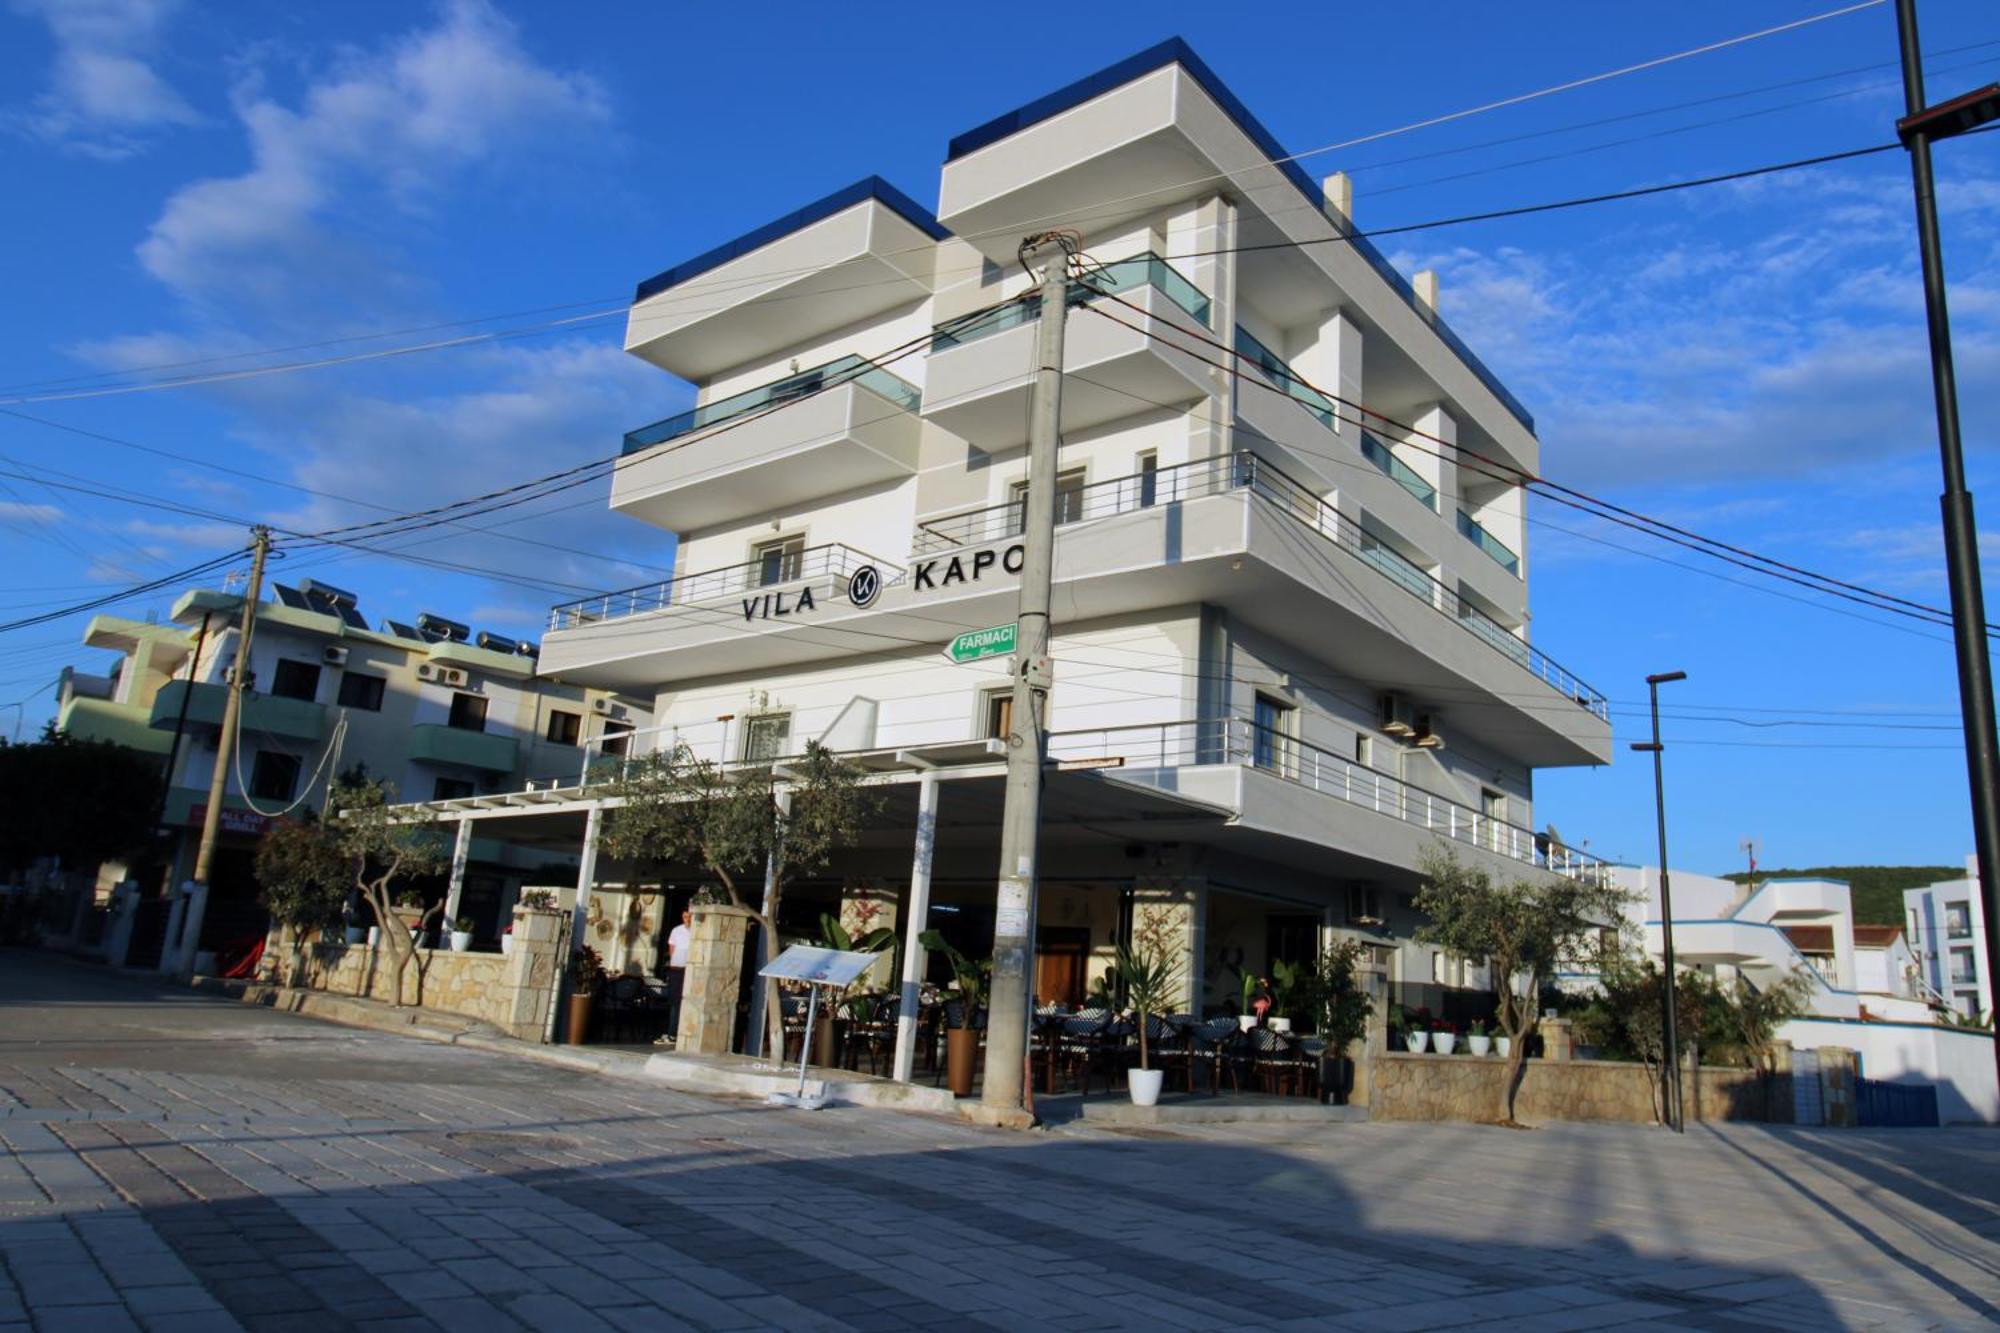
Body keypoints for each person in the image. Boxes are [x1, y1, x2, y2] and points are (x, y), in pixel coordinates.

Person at [655, 907, 692, 1045]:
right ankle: (671, 1033)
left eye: (690, 916)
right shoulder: (677, 930)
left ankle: (675, 1033)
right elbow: (672, 948)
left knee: (684, 1003)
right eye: (685, 916)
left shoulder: (696, 931)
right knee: (674, 1003)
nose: (687, 919)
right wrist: (673, 962)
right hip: (676, 969)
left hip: (688, 970)